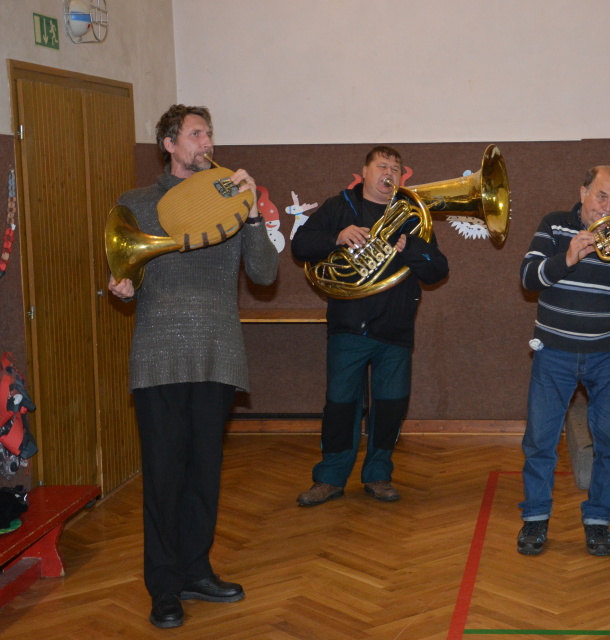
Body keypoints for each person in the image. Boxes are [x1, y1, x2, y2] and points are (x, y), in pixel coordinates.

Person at [108, 104, 278, 628]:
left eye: (209, 134)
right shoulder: (136, 202)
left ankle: (195, 571)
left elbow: (264, 272)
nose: (207, 143)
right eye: (196, 134)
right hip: (158, 354)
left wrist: (254, 210)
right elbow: (124, 269)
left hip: (217, 351)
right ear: (169, 144)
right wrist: (123, 285)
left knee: (204, 472)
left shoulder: (232, 195)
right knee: (164, 476)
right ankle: (163, 587)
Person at [291, 146, 448, 507]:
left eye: (395, 168)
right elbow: (301, 246)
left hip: (395, 328)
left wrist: (411, 248)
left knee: (391, 406)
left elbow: (438, 270)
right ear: (364, 171)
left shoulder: (411, 216)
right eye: (382, 166)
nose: (388, 173)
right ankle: (330, 478)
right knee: (340, 405)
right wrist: (337, 237)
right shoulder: (338, 207)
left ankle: (378, 474)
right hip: (349, 326)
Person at [517, 165, 610, 557]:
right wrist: (568, 257)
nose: (607, 207)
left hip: (608, 354)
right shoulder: (554, 225)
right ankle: (535, 518)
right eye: (601, 196)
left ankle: (598, 521)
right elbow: (528, 278)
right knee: (541, 439)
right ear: (583, 193)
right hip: (554, 352)